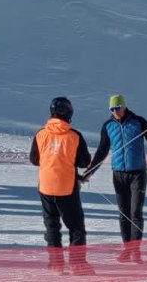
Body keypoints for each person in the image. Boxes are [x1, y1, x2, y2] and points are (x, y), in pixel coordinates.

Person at [87, 94, 147, 248]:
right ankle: (127, 248)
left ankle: (135, 250)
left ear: (123, 106)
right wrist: (89, 172)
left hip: (137, 174)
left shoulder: (138, 121)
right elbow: (101, 152)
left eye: (117, 108)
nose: (115, 111)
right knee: (123, 214)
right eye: (112, 109)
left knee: (135, 212)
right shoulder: (108, 126)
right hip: (118, 175)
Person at [30, 96, 92, 273]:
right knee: (76, 226)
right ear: (69, 113)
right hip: (66, 188)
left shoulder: (40, 134)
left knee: (52, 226)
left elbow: (34, 160)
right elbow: (84, 161)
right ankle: (78, 264)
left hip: (46, 187)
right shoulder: (74, 136)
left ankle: (56, 264)